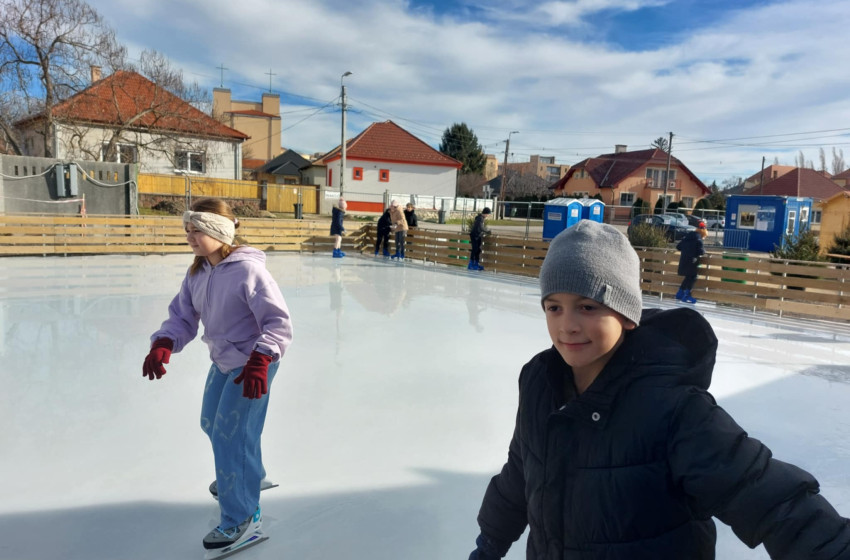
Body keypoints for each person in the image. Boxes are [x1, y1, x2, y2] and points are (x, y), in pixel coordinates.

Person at [468, 220, 850, 560]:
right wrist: (489, 544)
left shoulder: (672, 406)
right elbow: (520, 472)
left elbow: (763, 492)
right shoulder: (540, 384)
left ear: (626, 315)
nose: (567, 325)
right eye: (554, 307)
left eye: (587, 307)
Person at [143, 198, 293, 554]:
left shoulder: (249, 271)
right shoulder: (198, 272)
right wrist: (164, 342)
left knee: (231, 435)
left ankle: (243, 518)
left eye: (197, 230)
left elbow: (278, 322)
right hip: (224, 360)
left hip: (254, 363)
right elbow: (182, 316)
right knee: (211, 423)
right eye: (188, 230)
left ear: (219, 231)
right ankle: (249, 474)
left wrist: (262, 358)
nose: (190, 237)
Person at [676, 221, 708, 304]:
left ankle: (680, 293)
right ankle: (686, 295)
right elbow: (701, 252)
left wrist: (686, 250)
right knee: (694, 277)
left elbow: (678, 247)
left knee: (688, 277)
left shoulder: (687, 236)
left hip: (683, 261)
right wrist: (704, 250)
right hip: (692, 262)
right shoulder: (698, 239)